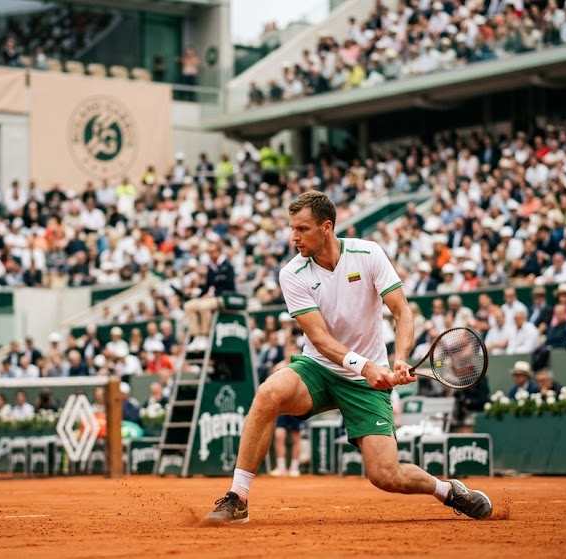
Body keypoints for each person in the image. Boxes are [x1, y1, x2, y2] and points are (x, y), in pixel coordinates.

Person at [204, 191, 492, 524]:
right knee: (269, 393)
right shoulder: (292, 273)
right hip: (319, 369)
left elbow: (402, 311)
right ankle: (237, 499)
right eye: (292, 228)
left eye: (302, 229)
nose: (294, 237)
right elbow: (320, 339)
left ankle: (447, 490)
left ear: (327, 227)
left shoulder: (368, 254)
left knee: (386, 475)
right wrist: (367, 366)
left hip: (365, 384)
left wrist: (399, 359)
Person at [184, 241, 236, 352]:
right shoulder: (211, 268)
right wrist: (195, 291)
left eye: (212, 252)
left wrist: (211, 294)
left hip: (222, 298)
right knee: (189, 306)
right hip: (210, 298)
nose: (210, 255)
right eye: (209, 252)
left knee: (203, 306)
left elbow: (229, 286)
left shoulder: (227, 266)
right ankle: (196, 336)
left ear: (218, 252)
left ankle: (204, 335)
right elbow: (207, 287)